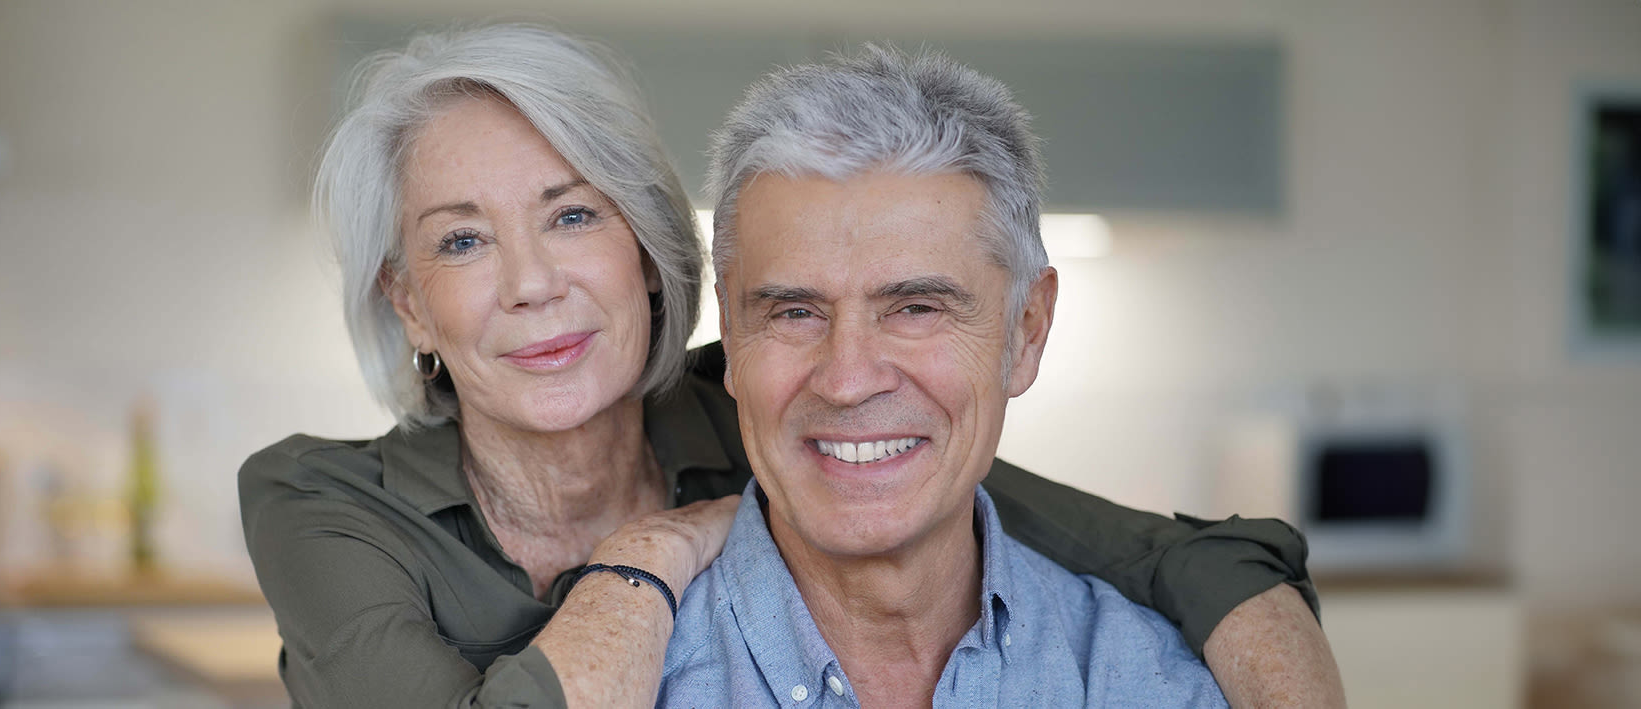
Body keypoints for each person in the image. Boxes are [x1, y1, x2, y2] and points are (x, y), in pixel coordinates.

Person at [239, 24, 1332, 708]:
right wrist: (652, 555)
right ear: (406, 298)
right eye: (461, 239)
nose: (531, 283)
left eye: (571, 215)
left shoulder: (755, 397)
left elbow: (1134, 546)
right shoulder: (320, 500)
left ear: (649, 256)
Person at [657, 45, 1344, 708]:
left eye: (916, 307)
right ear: (732, 332)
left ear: (1026, 332)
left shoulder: (1155, 683)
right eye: (795, 311)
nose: (847, 379)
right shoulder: (623, 670)